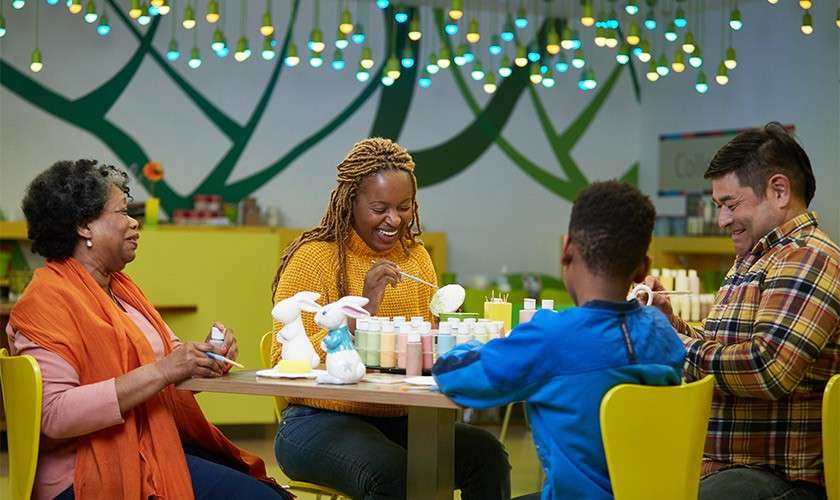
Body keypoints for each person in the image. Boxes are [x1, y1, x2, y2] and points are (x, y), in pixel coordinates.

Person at [7, 160, 290, 500]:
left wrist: (205, 358)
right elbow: (55, 415)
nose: (134, 223)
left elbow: (169, 367)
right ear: (85, 227)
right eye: (123, 213)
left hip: (149, 447)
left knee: (255, 485)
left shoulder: (121, 289)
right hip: (84, 473)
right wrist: (164, 370)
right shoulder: (45, 301)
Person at [270, 137, 511, 499]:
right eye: (379, 207)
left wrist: (450, 333)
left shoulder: (415, 259)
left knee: (487, 456)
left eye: (404, 207)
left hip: (403, 419)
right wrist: (363, 309)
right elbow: (287, 364)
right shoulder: (313, 259)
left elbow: (427, 350)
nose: (394, 220)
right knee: (390, 473)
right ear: (350, 201)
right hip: (316, 421)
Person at [432, 181, 686, 500]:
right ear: (643, 269)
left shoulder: (551, 338)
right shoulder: (662, 333)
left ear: (566, 250)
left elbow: (452, 374)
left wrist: (481, 345)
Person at [643, 122, 840, 500]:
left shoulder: (808, 257)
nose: (722, 221)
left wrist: (679, 345)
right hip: (727, 467)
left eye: (730, 205)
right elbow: (721, 347)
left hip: (779, 478)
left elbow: (768, 368)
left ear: (779, 191)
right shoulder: (753, 258)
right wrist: (671, 323)